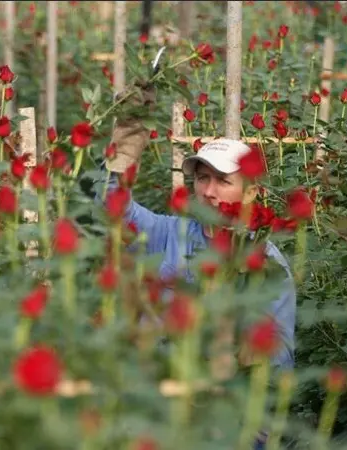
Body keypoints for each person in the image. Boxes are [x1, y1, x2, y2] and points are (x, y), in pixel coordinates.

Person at [89, 85, 295, 449]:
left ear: (252, 193)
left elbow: (276, 363)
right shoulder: (168, 233)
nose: (209, 191)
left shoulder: (264, 262)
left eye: (223, 181)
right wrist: (126, 144)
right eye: (202, 178)